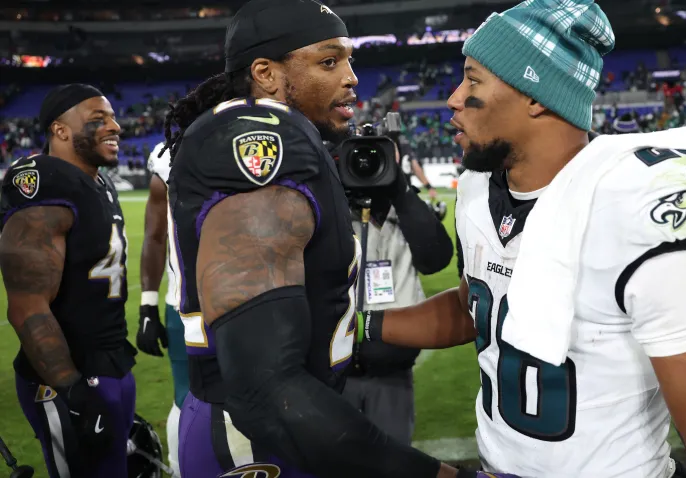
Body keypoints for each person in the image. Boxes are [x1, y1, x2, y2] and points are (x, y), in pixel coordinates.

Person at [354, 1, 686, 477]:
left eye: (472, 79)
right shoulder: (476, 189)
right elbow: (480, 305)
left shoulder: (639, 206)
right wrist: (358, 327)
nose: (452, 98)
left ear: (535, 94)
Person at [162, 1, 516, 477]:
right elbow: (265, 387)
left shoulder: (282, 135)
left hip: (280, 428)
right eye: (329, 62)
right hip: (259, 441)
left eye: (349, 59)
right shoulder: (262, 143)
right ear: (266, 73)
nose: (351, 77)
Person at [0, 84, 137, 477]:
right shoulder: (44, 180)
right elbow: (27, 304)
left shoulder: (98, 183)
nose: (115, 127)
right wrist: (73, 391)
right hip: (68, 378)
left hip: (110, 361)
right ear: (60, 130)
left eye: (112, 117)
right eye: (98, 119)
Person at [343, 153, 454, 444]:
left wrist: (400, 190)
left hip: (393, 369)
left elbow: (436, 259)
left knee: (392, 461)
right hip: (334, 372)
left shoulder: (403, 208)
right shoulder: (330, 208)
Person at [137, 140, 188, 476]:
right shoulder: (170, 153)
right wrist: (148, 304)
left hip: (254, 299)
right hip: (185, 305)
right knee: (187, 400)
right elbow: (155, 235)